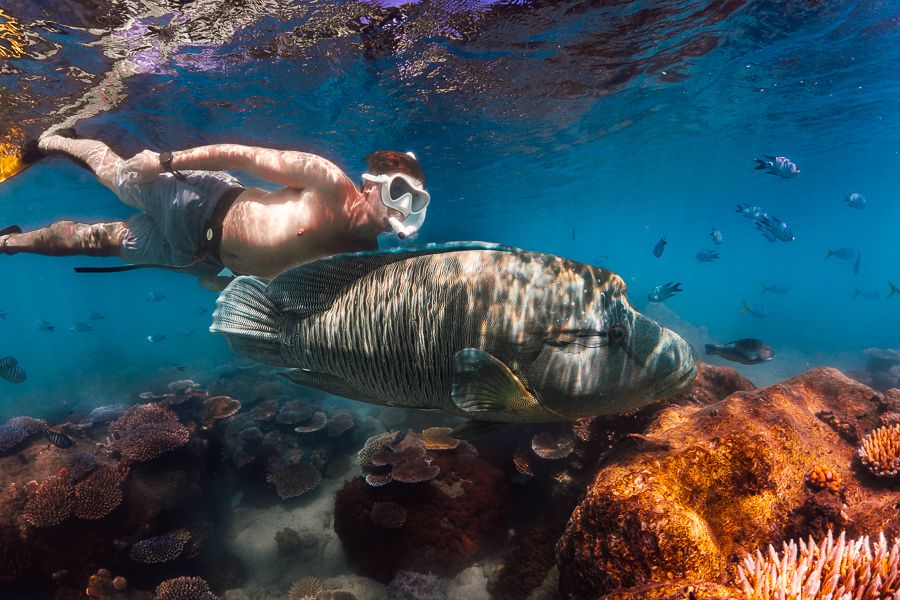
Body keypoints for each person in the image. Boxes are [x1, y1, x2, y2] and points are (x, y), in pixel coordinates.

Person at [0, 131, 430, 290]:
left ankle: (9, 242)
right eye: (398, 191)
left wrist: (229, 280)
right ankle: (56, 139)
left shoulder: (365, 253)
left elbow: (296, 279)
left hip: (201, 258)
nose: (403, 207)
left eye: (415, 201)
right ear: (371, 185)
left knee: (99, 243)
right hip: (198, 202)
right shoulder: (327, 179)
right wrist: (165, 161)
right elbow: (240, 154)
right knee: (115, 175)